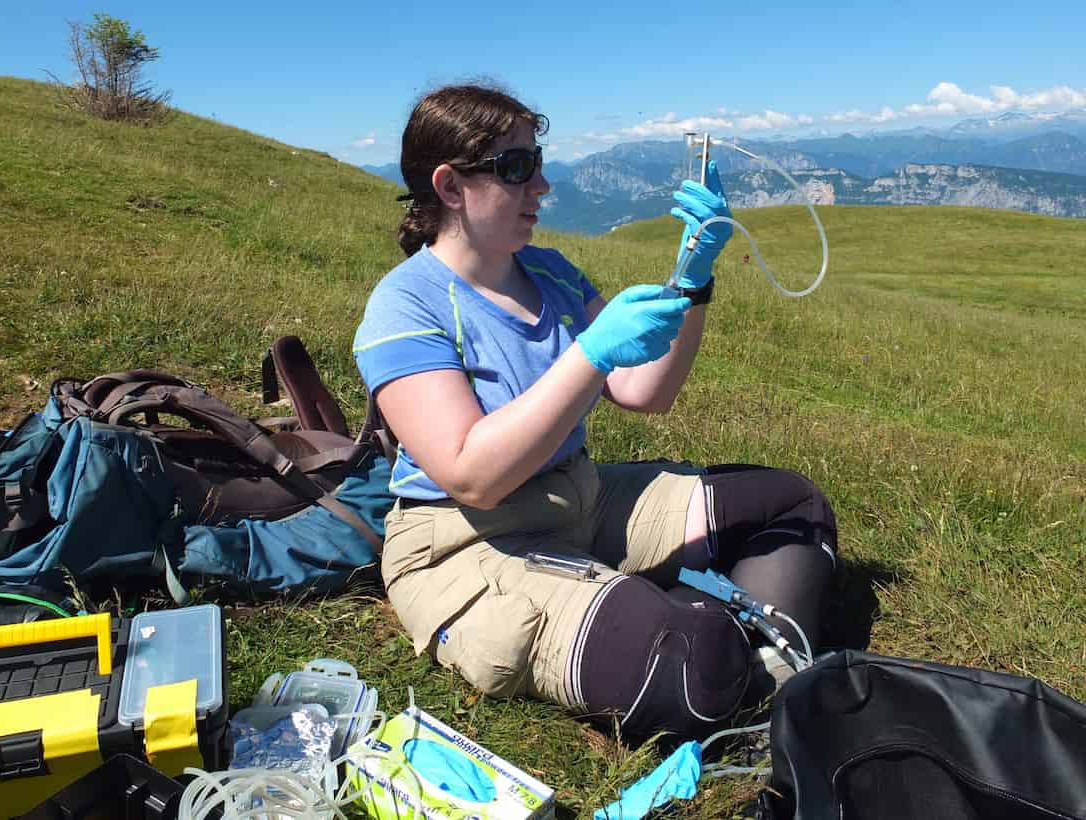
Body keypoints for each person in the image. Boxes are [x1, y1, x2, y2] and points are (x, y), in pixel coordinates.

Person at [353, 84, 837, 741]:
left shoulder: (550, 272)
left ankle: (712, 640)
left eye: (537, 160)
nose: (543, 184)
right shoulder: (407, 305)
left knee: (793, 506)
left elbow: (645, 392)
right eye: (517, 167)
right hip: (470, 539)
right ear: (449, 186)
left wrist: (694, 280)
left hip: (581, 498)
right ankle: (714, 639)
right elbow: (471, 475)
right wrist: (590, 353)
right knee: (694, 674)